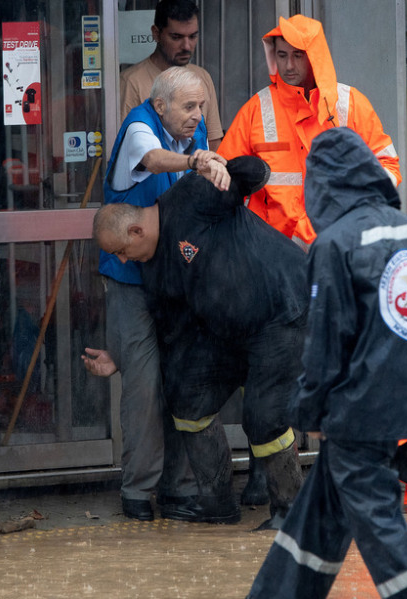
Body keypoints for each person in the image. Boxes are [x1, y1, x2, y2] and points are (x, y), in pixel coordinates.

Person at [246, 128, 407, 598]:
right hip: (400, 404)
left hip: (355, 411)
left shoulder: (335, 244)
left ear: (323, 184)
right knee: (314, 527)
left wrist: (310, 411)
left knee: (383, 534)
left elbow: (324, 344)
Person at [87, 155, 309, 526]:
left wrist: (217, 168)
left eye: (120, 251)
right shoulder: (152, 266)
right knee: (189, 396)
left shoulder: (190, 194)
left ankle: (291, 511)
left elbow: (256, 172)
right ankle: (218, 502)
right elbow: (170, 329)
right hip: (228, 333)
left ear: (136, 231)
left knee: (264, 417)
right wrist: (118, 357)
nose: (123, 261)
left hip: (282, 313)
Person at [101, 66, 228, 523]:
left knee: (183, 378)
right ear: (161, 106)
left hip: (176, 281)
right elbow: (153, 160)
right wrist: (196, 163)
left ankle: (179, 489)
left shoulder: (195, 136)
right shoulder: (140, 125)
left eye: (202, 106)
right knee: (144, 385)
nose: (198, 115)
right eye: (189, 107)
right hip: (133, 280)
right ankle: (138, 490)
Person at [218, 14, 400, 247]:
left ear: (315, 56)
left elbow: (388, 166)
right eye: (282, 55)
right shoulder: (256, 108)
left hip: (338, 244)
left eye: (298, 55)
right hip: (271, 249)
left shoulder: (351, 103)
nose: (288, 65)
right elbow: (223, 176)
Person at [120, 0, 223, 150]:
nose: (186, 46)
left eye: (192, 36)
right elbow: (125, 146)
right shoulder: (131, 82)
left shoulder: (202, 77)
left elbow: (214, 142)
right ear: (156, 34)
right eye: (176, 37)